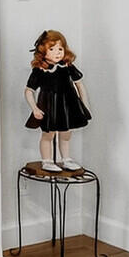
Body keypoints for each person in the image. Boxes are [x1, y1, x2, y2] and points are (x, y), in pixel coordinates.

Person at [25, 30, 91, 173]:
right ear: (43, 51)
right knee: (48, 134)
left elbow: (79, 84)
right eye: (52, 49)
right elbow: (29, 91)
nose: (57, 52)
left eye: (60, 48)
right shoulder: (40, 70)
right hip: (50, 105)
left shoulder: (67, 67)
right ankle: (47, 161)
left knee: (66, 133)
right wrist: (35, 108)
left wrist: (84, 106)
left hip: (68, 104)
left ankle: (66, 159)